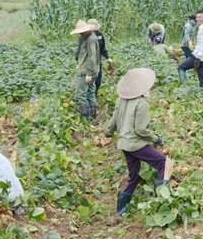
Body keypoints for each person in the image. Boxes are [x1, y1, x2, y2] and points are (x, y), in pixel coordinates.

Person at [104, 68, 167, 216]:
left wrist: (107, 133)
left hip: (124, 144)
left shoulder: (121, 100)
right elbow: (140, 130)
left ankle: (121, 209)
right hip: (136, 144)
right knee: (162, 162)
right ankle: (161, 201)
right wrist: (156, 139)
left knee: (135, 175)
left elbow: (113, 120)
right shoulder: (141, 103)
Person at [177, 10, 203, 93]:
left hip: (197, 56)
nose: (198, 19)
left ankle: (183, 87)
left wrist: (198, 57)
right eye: (197, 17)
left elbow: (202, 43)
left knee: (181, 67)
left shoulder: (202, 28)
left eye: (200, 17)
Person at [70, 20, 100, 119]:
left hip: (87, 71)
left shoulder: (90, 39)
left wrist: (89, 73)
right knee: (91, 93)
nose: (79, 33)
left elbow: (92, 57)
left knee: (81, 95)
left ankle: (84, 119)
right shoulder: (89, 37)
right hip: (92, 69)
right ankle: (92, 118)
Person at [86, 19, 112, 99]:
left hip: (97, 62)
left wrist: (108, 57)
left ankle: (94, 97)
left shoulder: (100, 35)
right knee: (87, 80)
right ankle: (88, 97)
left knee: (97, 81)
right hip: (88, 62)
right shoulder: (85, 36)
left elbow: (103, 49)